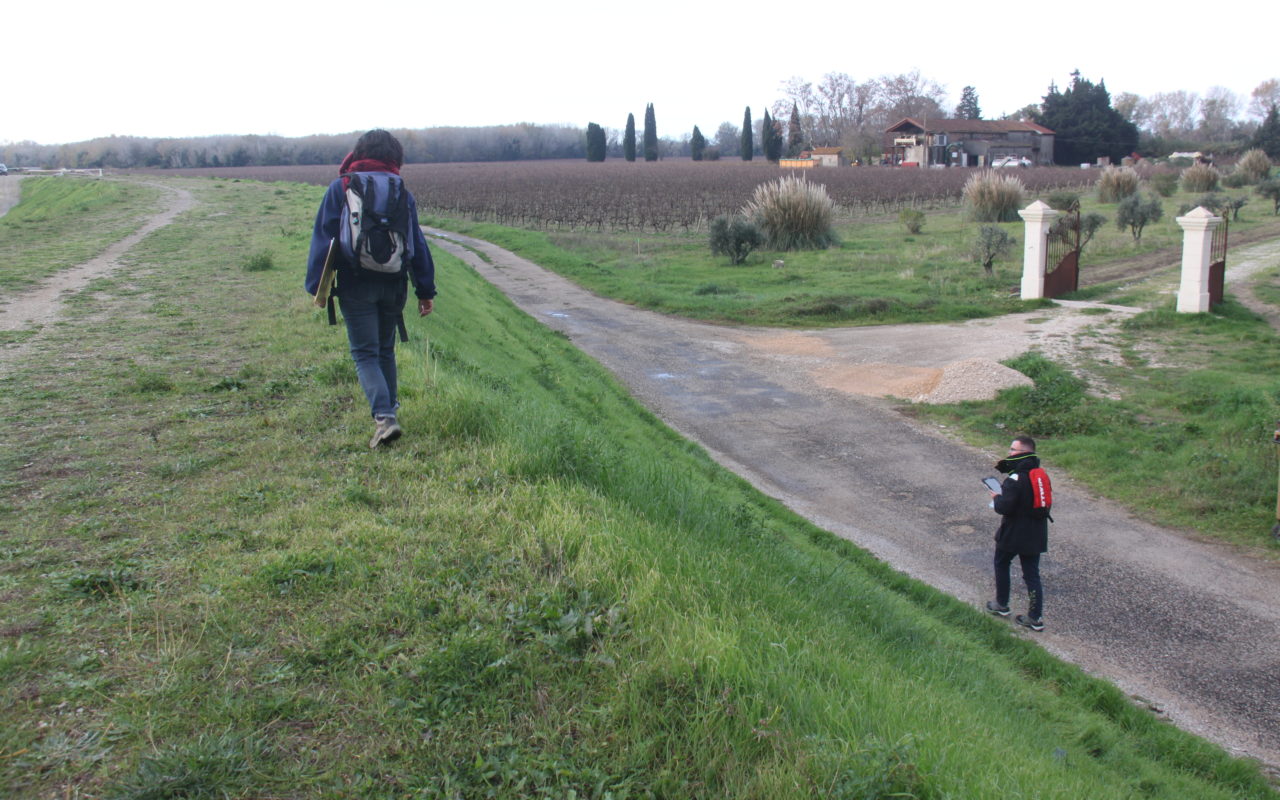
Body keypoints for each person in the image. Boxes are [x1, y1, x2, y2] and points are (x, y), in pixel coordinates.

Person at [305, 129, 436, 448]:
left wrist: (316, 286)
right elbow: (416, 241)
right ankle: (389, 410)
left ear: (359, 152)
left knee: (365, 353)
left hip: (355, 281)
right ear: (395, 157)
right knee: (384, 348)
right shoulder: (401, 191)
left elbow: (324, 239)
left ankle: (384, 418)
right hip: (394, 282)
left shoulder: (342, 187)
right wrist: (425, 289)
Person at [985, 435, 1047, 631]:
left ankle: (1001, 605)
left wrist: (996, 497)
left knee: (1002, 563)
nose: (1009, 453)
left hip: (1013, 532)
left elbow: (1005, 507)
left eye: (1013, 450)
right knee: (1032, 575)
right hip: (1036, 532)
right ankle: (1035, 618)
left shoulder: (1015, 478)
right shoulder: (1040, 475)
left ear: (1023, 453)